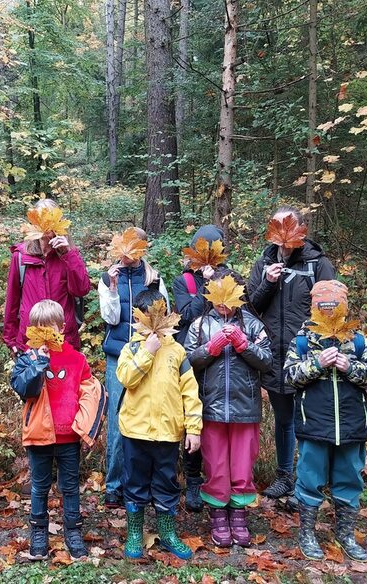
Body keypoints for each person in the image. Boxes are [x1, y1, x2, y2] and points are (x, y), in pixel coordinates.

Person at [283, 280, 367, 561]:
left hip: (352, 427)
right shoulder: (303, 340)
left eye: (335, 308)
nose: (329, 313)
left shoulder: (358, 340)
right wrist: (317, 364)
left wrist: (350, 366)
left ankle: (345, 534)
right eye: (323, 308)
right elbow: (289, 376)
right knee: (309, 479)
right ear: (314, 309)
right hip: (313, 425)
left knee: (349, 479)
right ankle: (307, 534)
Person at [246, 206, 334, 502]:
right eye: (277, 227)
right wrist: (268, 282)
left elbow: (332, 309)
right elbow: (253, 307)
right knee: (284, 419)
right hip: (274, 353)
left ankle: (308, 483)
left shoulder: (317, 264)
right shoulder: (264, 262)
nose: (283, 235)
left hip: (308, 355)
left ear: (301, 229)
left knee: (308, 419)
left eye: (289, 226)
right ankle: (285, 476)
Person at [10, 300, 107, 561]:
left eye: (49, 327)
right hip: (39, 436)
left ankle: (72, 530)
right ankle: (39, 531)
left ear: (61, 328)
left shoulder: (76, 358)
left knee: (70, 486)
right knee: (40, 486)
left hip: (68, 436)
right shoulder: (27, 358)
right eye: (38, 328)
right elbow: (23, 389)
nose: (44, 333)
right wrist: (38, 363)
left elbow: (89, 391)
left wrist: (86, 428)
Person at [184, 270, 272, 547]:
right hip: (211, 406)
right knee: (216, 463)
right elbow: (187, 362)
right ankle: (218, 513)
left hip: (245, 407)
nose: (224, 304)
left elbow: (267, 361)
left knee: (242, 464)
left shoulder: (254, 325)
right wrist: (211, 347)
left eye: (230, 296)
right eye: (218, 296)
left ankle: (238, 513)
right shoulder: (199, 325)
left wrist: (243, 345)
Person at [116, 289, 202, 560]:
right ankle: (134, 533)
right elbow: (126, 379)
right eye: (147, 316)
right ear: (138, 319)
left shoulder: (176, 350)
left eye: (159, 315)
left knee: (167, 484)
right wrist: (147, 352)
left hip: (167, 433)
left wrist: (194, 428)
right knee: (135, 483)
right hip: (135, 431)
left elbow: (190, 391)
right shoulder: (130, 348)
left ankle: (167, 533)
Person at [98, 226, 168, 509]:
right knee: (117, 423)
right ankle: (114, 485)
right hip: (118, 356)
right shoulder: (107, 278)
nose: (126, 256)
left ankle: (142, 483)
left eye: (133, 249)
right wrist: (113, 289)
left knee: (148, 418)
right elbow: (110, 318)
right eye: (122, 249)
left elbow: (162, 317)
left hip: (148, 354)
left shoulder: (154, 279)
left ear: (142, 249)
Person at [171, 224, 227, 512]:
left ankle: (218, 479)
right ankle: (192, 479)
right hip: (193, 358)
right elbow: (186, 317)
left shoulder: (229, 276)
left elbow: (237, 309)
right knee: (192, 416)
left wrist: (218, 282)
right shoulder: (184, 282)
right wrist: (205, 286)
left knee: (218, 421)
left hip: (224, 360)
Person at [3, 199, 91, 354]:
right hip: (30, 341)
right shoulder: (21, 256)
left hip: (64, 340)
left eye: (51, 219)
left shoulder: (69, 255)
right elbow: (12, 300)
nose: (46, 225)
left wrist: (68, 254)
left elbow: (81, 289)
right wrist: (10, 339)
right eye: (41, 219)